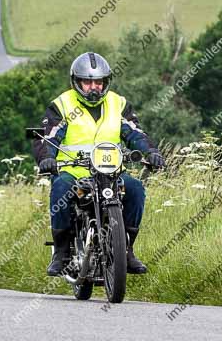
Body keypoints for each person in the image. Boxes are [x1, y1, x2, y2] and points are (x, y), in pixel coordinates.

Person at [33, 52, 165, 276]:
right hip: (72, 171)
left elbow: (135, 133)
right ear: (77, 82)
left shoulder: (118, 103)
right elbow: (48, 136)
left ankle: (127, 250)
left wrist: (151, 152)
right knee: (61, 188)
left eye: (98, 81)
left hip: (110, 172)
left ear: (106, 82)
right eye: (87, 82)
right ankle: (62, 252)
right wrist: (47, 158)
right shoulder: (62, 105)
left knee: (135, 188)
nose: (93, 87)